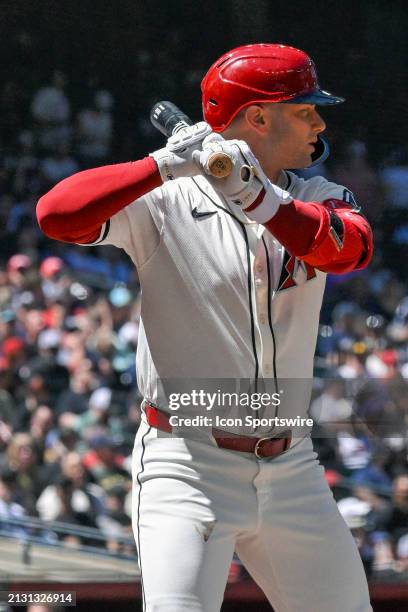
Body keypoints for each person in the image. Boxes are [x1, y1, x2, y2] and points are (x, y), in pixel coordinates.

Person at [36, 43, 373, 612]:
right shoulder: (165, 198)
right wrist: (162, 165)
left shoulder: (317, 196)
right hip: (186, 463)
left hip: (292, 464)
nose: (319, 120)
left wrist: (259, 197)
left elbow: (350, 251)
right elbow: (56, 215)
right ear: (258, 117)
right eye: (304, 108)